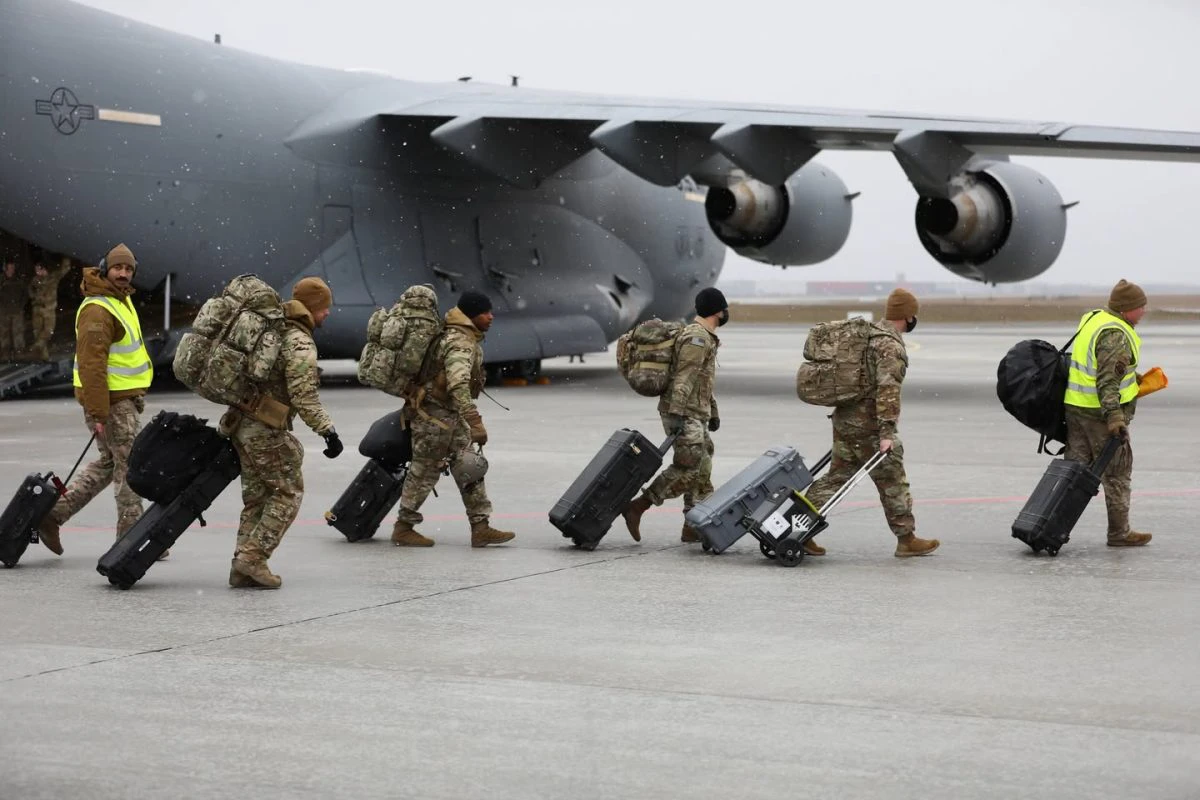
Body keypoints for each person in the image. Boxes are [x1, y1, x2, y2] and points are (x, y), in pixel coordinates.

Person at [221, 277, 343, 589]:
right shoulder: (299, 341)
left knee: (257, 498)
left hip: (241, 423)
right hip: (265, 428)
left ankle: (241, 566)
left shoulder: (273, 329)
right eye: (324, 307)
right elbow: (304, 395)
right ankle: (253, 558)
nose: (328, 313)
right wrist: (327, 431)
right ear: (311, 307)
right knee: (288, 493)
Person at [803, 289, 940, 558]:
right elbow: (888, 390)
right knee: (892, 479)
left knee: (836, 478)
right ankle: (906, 540)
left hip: (845, 419)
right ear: (907, 316)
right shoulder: (890, 346)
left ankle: (799, 528)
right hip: (868, 426)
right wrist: (886, 433)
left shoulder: (867, 335)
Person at [39, 245, 153, 555]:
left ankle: (53, 515)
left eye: (128, 269)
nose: (123, 274)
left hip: (120, 400)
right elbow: (92, 366)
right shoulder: (98, 309)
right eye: (118, 268)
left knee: (110, 463)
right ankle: (130, 539)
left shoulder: (119, 300)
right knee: (129, 467)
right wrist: (99, 413)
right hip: (112, 404)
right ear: (105, 268)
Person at [390, 289, 516, 548]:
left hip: (449, 416)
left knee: (469, 466)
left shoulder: (461, 335)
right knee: (424, 471)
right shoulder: (459, 341)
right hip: (434, 418)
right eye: (485, 312)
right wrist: (475, 421)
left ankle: (480, 527)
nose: (491, 317)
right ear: (472, 315)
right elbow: (457, 385)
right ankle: (403, 527)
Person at [622, 287, 726, 543]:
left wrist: (712, 411)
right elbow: (685, 377)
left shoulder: (704, 336)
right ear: (718, 311)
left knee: (702, 467)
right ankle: (639, 506)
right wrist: (678, 413)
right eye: (724, 309)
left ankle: (693, 524)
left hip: (695, 412)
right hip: (683, 412)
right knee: (687, 469)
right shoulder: (697, 338)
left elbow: (701, 380)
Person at [1062, 279, 1152, 547]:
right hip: (1099, 417)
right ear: (1126, 309)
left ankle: (1048, 526)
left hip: (1077, 409)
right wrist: (1115, 418)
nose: (1144, 311)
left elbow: (1096, 366)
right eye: (1140, 306)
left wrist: (1131, 376)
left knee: (1073, 475)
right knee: (1117, 474)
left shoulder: (1095, 319)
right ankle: (1119, 533)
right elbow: (1107, 381)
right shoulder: (1115, 334)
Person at [27, 258, 73, 361]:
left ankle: (38, 346)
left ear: (44, 269)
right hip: (38, 309)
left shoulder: (53, 277)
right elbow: (30, 291)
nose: (37, 272)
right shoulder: (35, 280)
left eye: (38, 270)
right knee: (38, 332)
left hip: (48, 310)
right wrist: (35, 296)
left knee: (48, 331)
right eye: (36, 270)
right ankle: (43, 356)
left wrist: (66, 258)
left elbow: (65, 269)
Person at [0, 259, 27, 361]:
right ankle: (5, 352)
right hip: (3, 311)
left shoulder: (19, 279)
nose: (12, 270)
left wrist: (21, 305)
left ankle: (19, 351)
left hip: (17, 310)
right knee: (4, 333)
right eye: (10, 268)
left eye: (13, 267)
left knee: (18, 332)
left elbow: (25, 293)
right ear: (5, 268)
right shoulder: (1, 280)